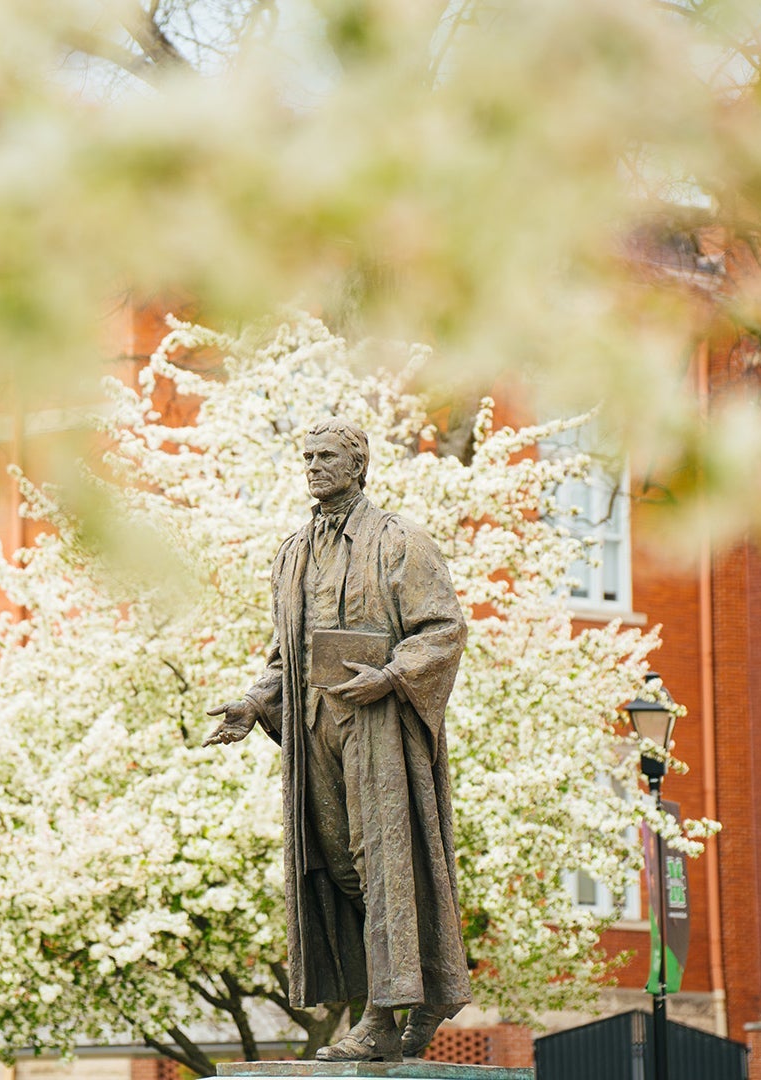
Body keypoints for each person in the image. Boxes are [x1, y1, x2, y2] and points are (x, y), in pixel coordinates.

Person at [204, 418, 471, 1063]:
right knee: (337, 866)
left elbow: (443, 629)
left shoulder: (399, 540)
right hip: (314, 730)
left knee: (381, 861)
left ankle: (385, 1010)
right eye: (308, 456)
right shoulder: (293, 553)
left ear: (359, 465)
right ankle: (409, 991)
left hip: (376, 727)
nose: (314, 465)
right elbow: (284, 658)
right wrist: (253, 703)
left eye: (327, 456)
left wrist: (391, 677)